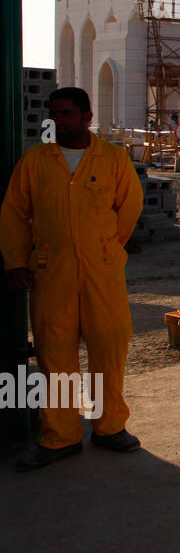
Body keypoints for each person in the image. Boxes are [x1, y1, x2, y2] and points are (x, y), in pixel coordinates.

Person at [0, 87, 144, 471]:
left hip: (102, 271)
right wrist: (15, 260)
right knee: (55, 352)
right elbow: (15, 212)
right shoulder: (35, 162)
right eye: (54, 114)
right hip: (51, 270)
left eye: (66, 113)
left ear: (87, 116)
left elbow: (129, 207)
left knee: (108, 346)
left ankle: (110, 426)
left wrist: (109, 249)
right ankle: (60, 436)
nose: (59, 120)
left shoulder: (113, 158)